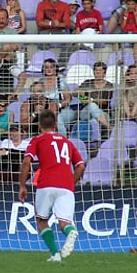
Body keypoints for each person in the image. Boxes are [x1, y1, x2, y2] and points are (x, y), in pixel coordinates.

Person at [18, 109, 85, 262]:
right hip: (66, 187)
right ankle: (71, 232)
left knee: (42, 220)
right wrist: (70, 182)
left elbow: (27, 162)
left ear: (40, 126)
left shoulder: (37, 140)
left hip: (46, 183)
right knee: (64, 222)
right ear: (55, 125)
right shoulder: (67, 142)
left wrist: (22, 185)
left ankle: (55, 254)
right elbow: (80, 166)